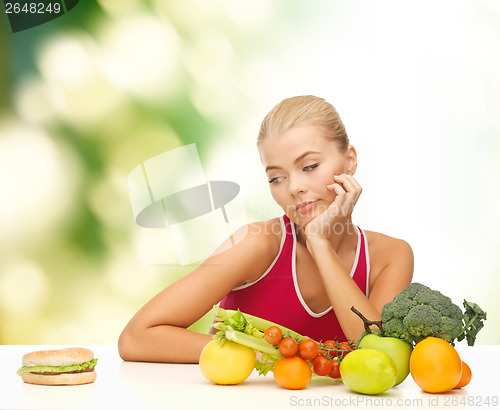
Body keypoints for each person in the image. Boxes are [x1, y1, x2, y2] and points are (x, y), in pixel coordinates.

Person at [118, 95, 414, 363]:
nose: (295, 188)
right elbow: (136, 337)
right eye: (276, 178)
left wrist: (319, 245)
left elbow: (379, 358)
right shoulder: (257, 245)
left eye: (309, 166)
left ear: (350, 160)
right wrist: (264, 355)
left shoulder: (390, 256)